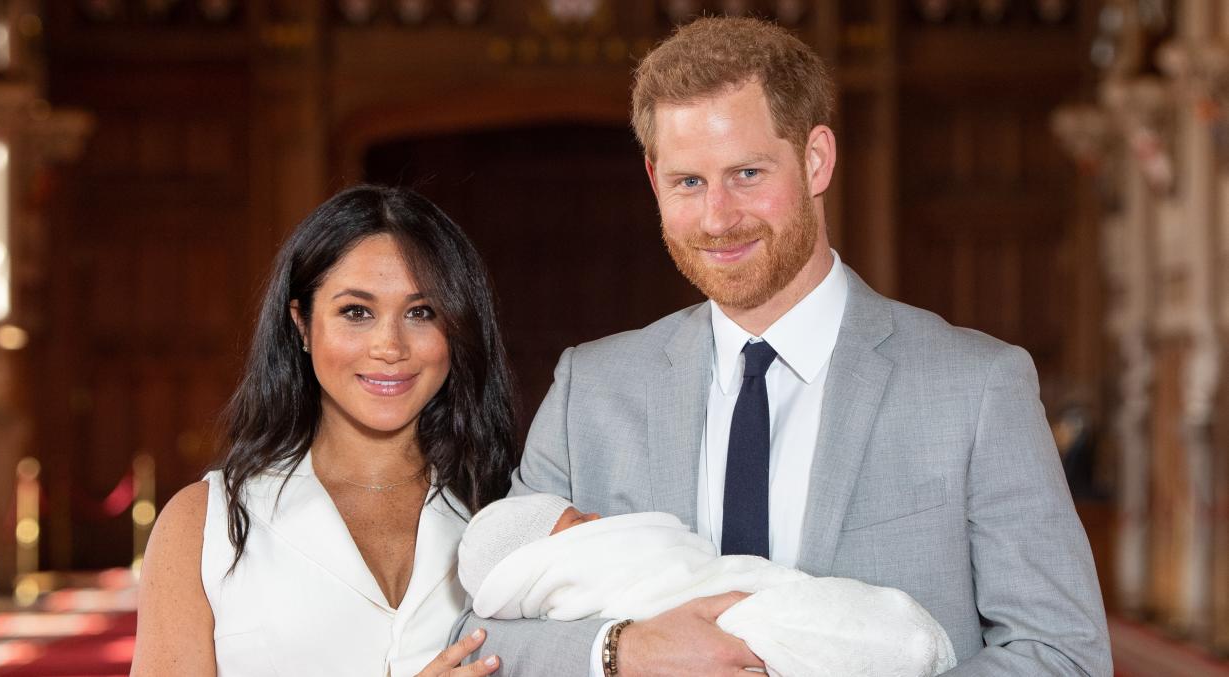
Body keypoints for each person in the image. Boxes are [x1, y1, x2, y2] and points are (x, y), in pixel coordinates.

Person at [463, 16, 1112, 677]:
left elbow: (1063, 653)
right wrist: (621, 651)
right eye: (689, 181)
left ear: (816, 159)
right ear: (654, 178)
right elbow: (479, 636)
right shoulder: (590, 391)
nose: (718, 217)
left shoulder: (979, 387)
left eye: (747, 172)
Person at [132, 186, 516, 676]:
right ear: (303, 325)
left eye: (421, 312)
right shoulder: (202, 526)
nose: (389, 346)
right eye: (356, 312)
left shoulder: (507, 509)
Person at [457, 493, 957, 677]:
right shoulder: (579, 386)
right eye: (577, 520)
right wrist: (620, 651)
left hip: (751, 596)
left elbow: (1034, 635)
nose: (596, 517)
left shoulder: (985, 377)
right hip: (740, 615)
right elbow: (477, 638)